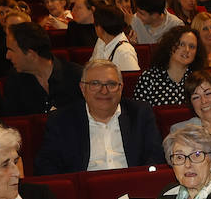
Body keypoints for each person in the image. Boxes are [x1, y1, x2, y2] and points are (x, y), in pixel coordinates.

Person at [35, 60, 166, 175]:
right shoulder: (61, 120)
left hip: (132, 186)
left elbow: (155, 156)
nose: (104, 91)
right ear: (82, 88)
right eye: (95, 84)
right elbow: (47, 165)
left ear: (121, 88)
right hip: (85, 193)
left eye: (111, 84)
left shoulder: (139, 113)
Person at [2, 22, 85, 116]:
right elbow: (12, 122)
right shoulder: (14, 80)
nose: (7, 56)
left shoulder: (77, 76)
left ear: (31, 54)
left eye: (11, 50)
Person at [133, 26, 199, 107]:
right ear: (170, 46)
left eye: (192, 46)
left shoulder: (199, 79)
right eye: (182, 44)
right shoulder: (149, 78)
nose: (187, 50)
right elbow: (140, 114)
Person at [89, 5, 140, 72]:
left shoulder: (125, 52)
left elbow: (132, 79)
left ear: (99, 28)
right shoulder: (100, 41)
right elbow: (91, 67)